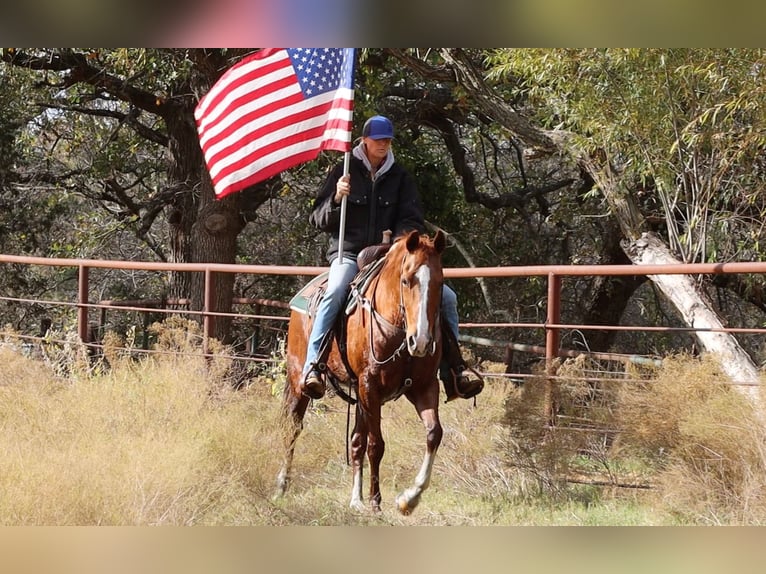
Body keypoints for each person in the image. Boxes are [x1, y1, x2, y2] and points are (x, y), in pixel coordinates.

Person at [300, 114, 483, 402]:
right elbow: (317, 218)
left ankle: (454, 369)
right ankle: (314, 366)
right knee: (335, 290)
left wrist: (398, 241)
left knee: (447, 298)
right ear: (365, 141)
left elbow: (412, 219)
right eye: (379, 139)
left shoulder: (400, 177)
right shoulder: (344, 170)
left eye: (388, 139)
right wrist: (336, 199)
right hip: (348, 254)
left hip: (391, 258)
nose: (384, 144)